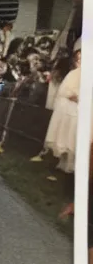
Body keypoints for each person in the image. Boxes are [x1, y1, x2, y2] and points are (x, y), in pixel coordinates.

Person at [43, 42, 81, 174]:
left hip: (78, 110)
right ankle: (64, 163)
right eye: (78, 59)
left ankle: (72, 165)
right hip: (68, 108)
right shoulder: (73, 73)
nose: (79, 61)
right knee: (65, 135)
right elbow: (64, 91)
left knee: (73, 137)